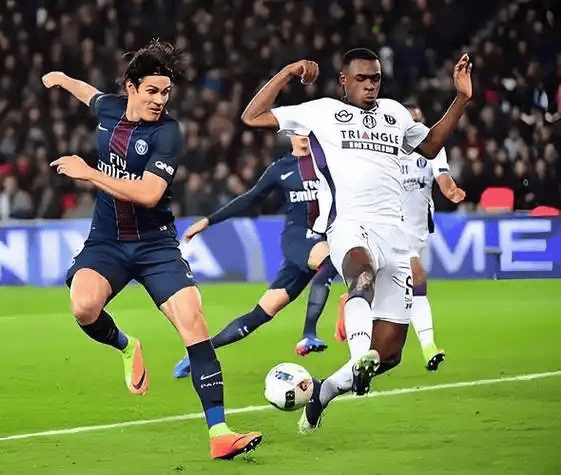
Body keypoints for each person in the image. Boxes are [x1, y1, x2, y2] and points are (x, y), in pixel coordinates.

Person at [43, 40, 261, 460]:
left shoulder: (168, 133)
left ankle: (219, 432)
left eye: (166, 92)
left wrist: (90, 173)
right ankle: (128, 345)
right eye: (152, 91)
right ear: (131, 88)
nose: (160, 100)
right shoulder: (110, 109)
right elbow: (90, 95)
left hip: (155, 244)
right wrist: (63, 79)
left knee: (194, 323)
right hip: (107, 242)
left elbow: (148, 194)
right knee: (83, 307)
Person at [240, 47, 473, 432]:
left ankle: (325, 391)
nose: (369, 85)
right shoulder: (323, 111)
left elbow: (431, 146)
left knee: (391, 354)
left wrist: (461, 98)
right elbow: (253, 116)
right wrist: (288, 72)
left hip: (395, 235)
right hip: (349, 224)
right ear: (343, 81)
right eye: (361, 78)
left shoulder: (395, 113)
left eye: (375, 78)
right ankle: (360, 355)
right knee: (361, 277)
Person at [172, 134, 338, 379]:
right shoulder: (281, 168)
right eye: (297, 130)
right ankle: (308, 334)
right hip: (297, 239)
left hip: (320, 238)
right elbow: (249, 199)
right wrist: (207, 221)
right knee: (330, 262)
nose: (303, 135)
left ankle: (198, 354)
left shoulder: (326, 163)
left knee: (260, 314)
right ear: (289, 134)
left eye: (307, 130)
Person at [333, 104, 466, 371]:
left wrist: (450, 189)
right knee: (417, 282)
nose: (414, 126)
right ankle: (428, 347)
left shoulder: (432, 148)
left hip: (418, 233)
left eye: (418, 121)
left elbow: (443, 176)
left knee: (396, 298)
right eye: (409, 121)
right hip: (389, 230)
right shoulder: (383, 148)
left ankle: (357, 338)